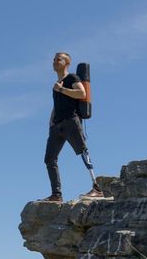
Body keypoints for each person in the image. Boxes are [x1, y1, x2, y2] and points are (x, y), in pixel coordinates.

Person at [42, 52, 104, 202]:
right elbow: (56, 105)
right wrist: (51, 122)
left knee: (82, 151)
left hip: (71, 120)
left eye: (59, 59)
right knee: (49, 159)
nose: (55, 62)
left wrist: (62, 89)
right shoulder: (56, 84)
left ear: (67, 63)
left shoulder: (72, 78)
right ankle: (56, 194)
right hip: (57, 125)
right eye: (54, 59)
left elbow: (81, 93)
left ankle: (97, 188)